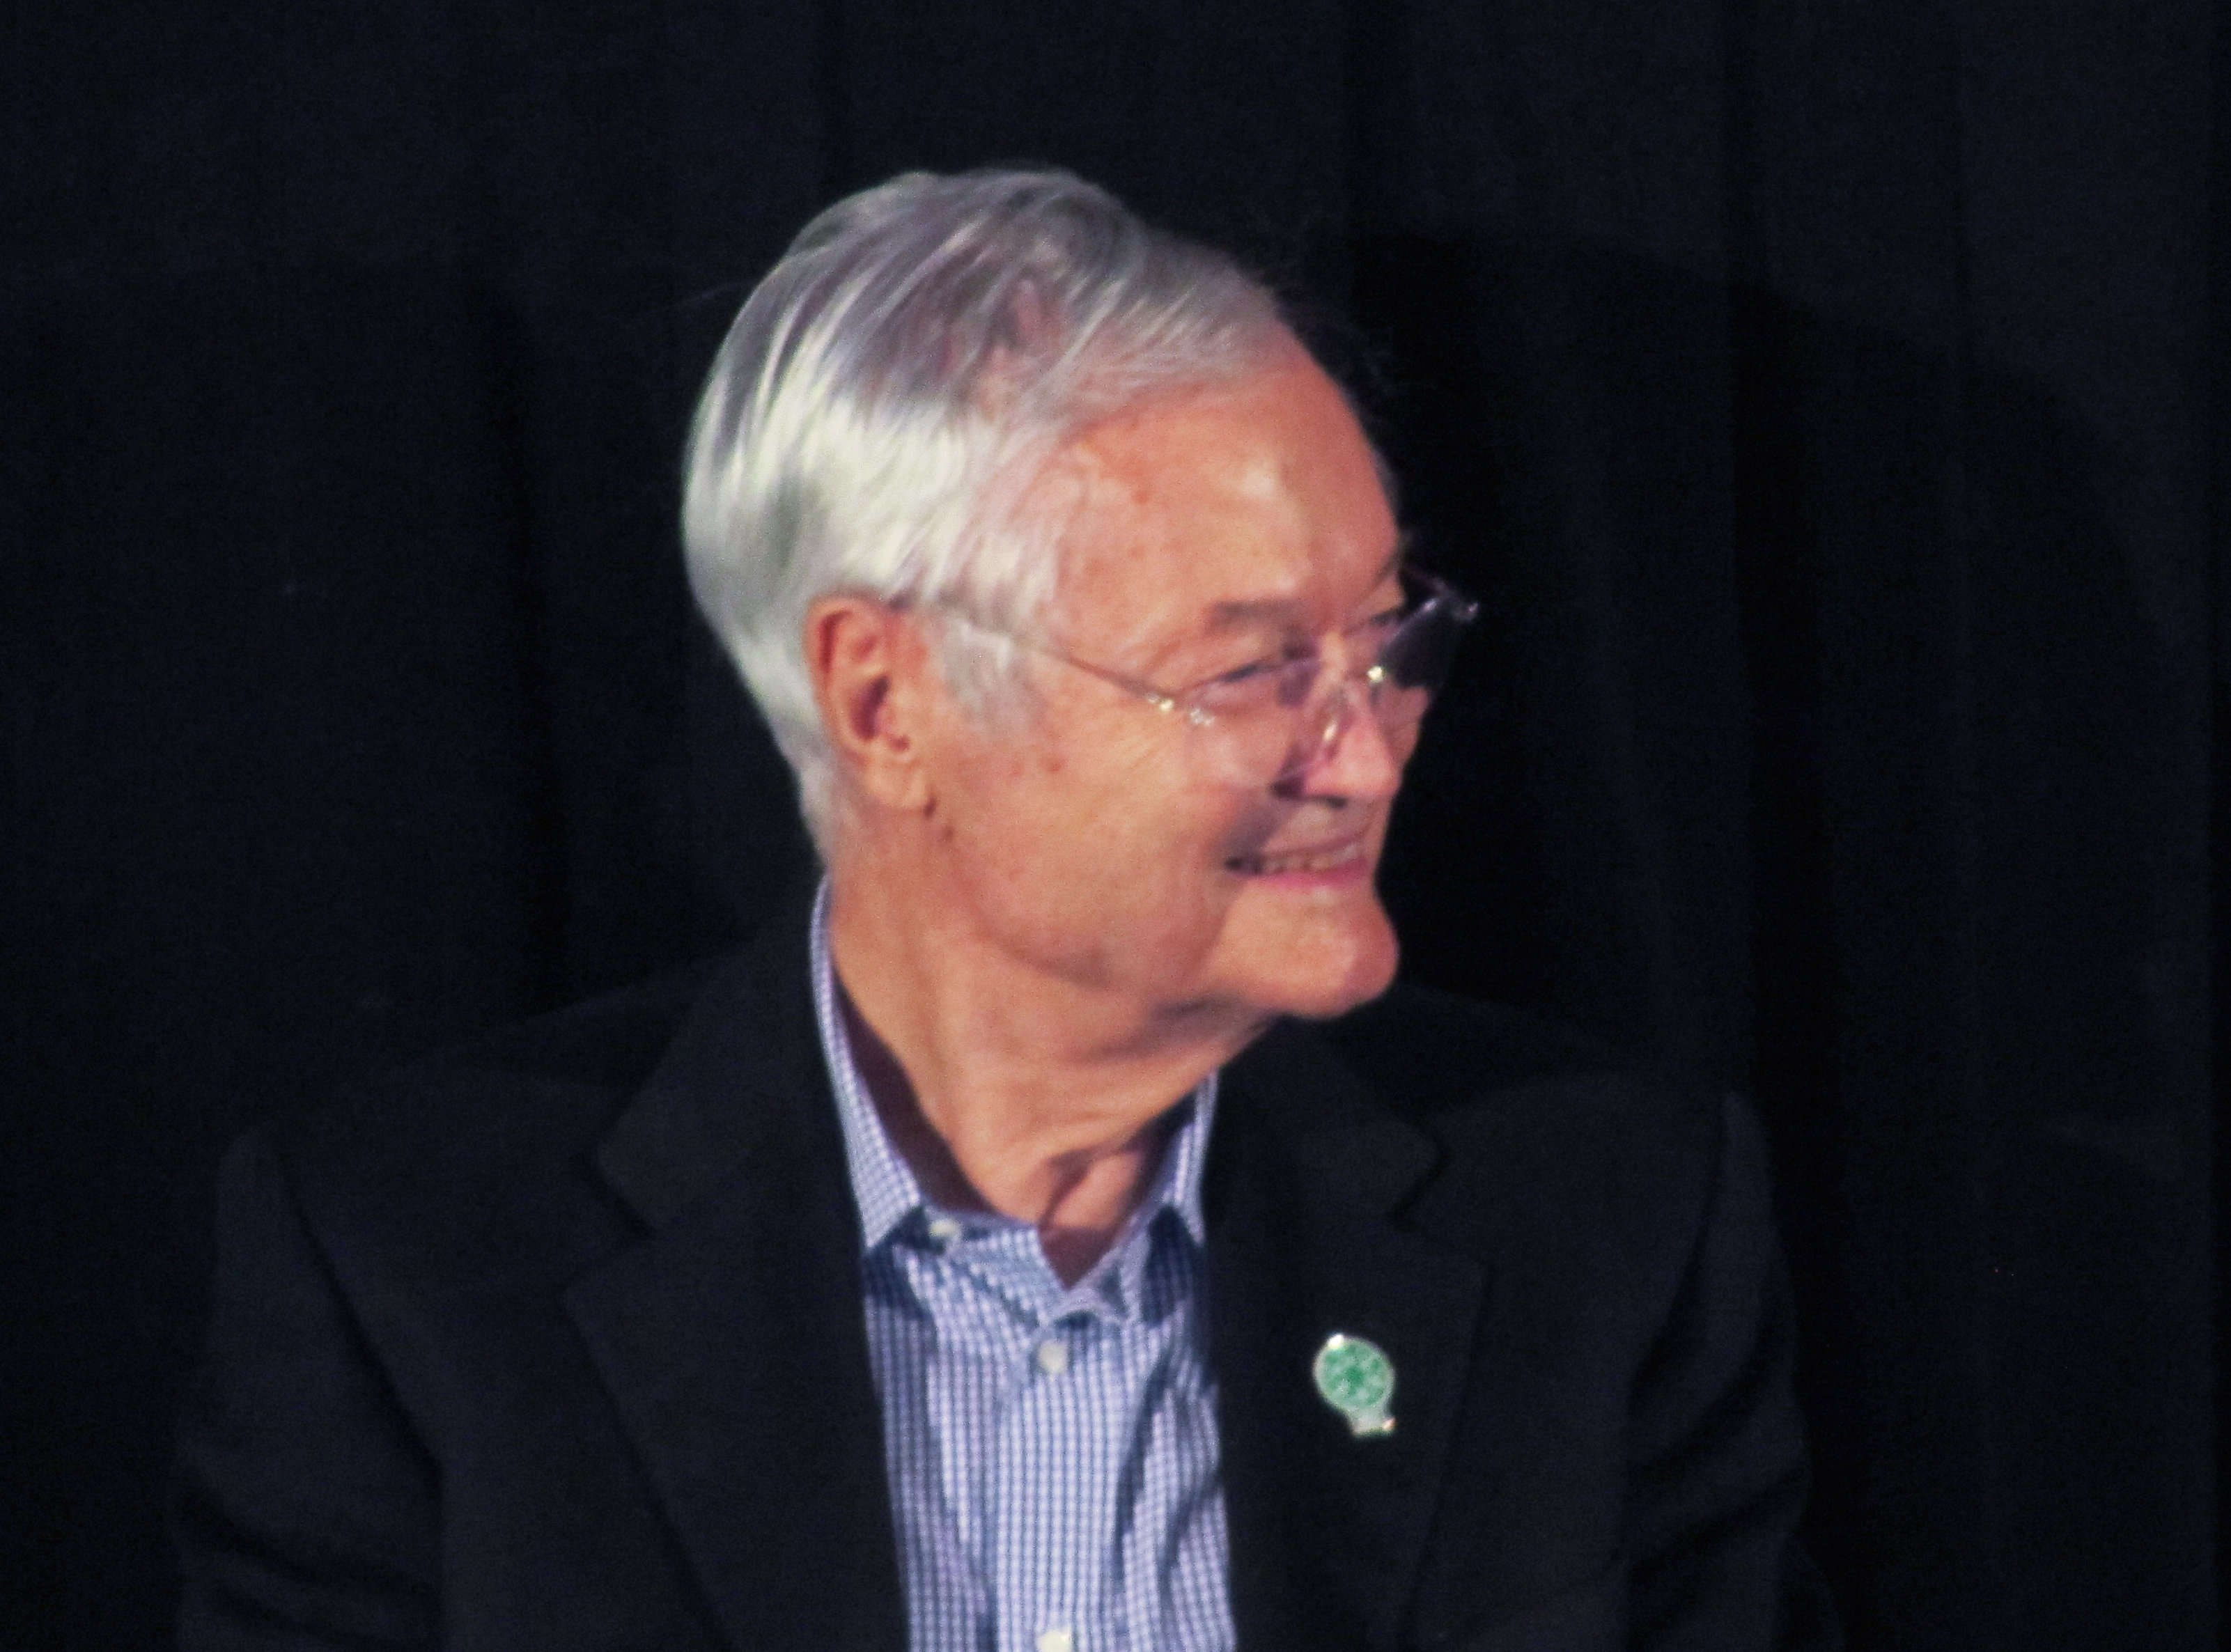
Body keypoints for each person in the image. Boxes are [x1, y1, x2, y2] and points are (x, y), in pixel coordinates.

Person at [173, 169, 1838, 1651]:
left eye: (1389, 641)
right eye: (1257, 669)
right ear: (888, 706)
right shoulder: (410, 1274)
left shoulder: (1605, 1226)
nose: (1368, 755)